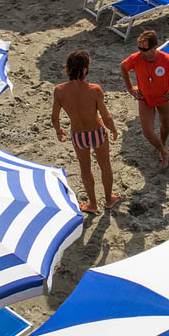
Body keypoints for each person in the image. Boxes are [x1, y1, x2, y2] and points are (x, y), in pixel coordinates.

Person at [51, 50, 120, 215]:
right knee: (105, 165)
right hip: (97, 131)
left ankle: (93, 204)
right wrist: (113, 129)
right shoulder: (94, 89)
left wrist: (59, 131)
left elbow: (54, 117)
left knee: (85, 168)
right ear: (85, 69)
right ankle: (109, 199)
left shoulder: (59, 90)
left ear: (67, 69)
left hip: (78, 135)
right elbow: (106, 116)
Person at [120, 30, 169, 168]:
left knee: (165, 125)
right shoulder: (135, 58)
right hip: (144, 98)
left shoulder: (166, 59)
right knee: (147, 132)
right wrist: (130, 88)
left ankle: (162, 145)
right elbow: (123, 67)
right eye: (139, 48)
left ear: (154, 48)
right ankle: (163, 151)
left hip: (164, 97)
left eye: (144, 49)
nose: (141, 52)